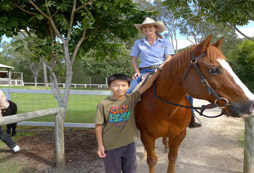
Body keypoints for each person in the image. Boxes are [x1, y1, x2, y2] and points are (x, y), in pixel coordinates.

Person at [128, 17, 201, 128]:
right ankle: (128, 121)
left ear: (156, 28)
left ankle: (191, 117)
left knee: (185, 90)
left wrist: (160, 68)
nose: (147, 29)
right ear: (142, 30)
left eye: (150, 27)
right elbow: (133, 59)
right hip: (145, 71)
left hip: (163, 71)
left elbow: (169, 58)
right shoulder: (138, 43)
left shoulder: (165, 42)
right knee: (129, 91)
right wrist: (137, 72)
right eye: (145, 27)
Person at [95, 68, 162, 173]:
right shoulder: (103, 104)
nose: (119, 88)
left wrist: (158, 71)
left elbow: (147, 85)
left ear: (128, 87)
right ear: (109, 86)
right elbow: (98, 126)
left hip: (129, 145)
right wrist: (100, 145)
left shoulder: (131, 98)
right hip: (111, 146)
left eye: (123, 85)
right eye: (115, 85)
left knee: (131, 170)